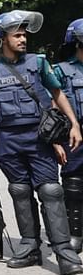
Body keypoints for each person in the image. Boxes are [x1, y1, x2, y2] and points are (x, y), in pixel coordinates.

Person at [0, 10, 83, 275]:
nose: (23, 38)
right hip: (8, 141)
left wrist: (74, 124)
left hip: (39, 137)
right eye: (17, 35)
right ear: (2, 39)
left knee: (50, 191)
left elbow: (57, 94)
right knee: (19, 191)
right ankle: (29, 247)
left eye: (25, 34)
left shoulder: (38, 63)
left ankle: (64, 253)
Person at [55, 18, 83, 253]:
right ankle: (75, 233)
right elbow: (52, 106)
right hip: (74, 133)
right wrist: (54, 139)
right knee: (73, 184)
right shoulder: (62, 71)